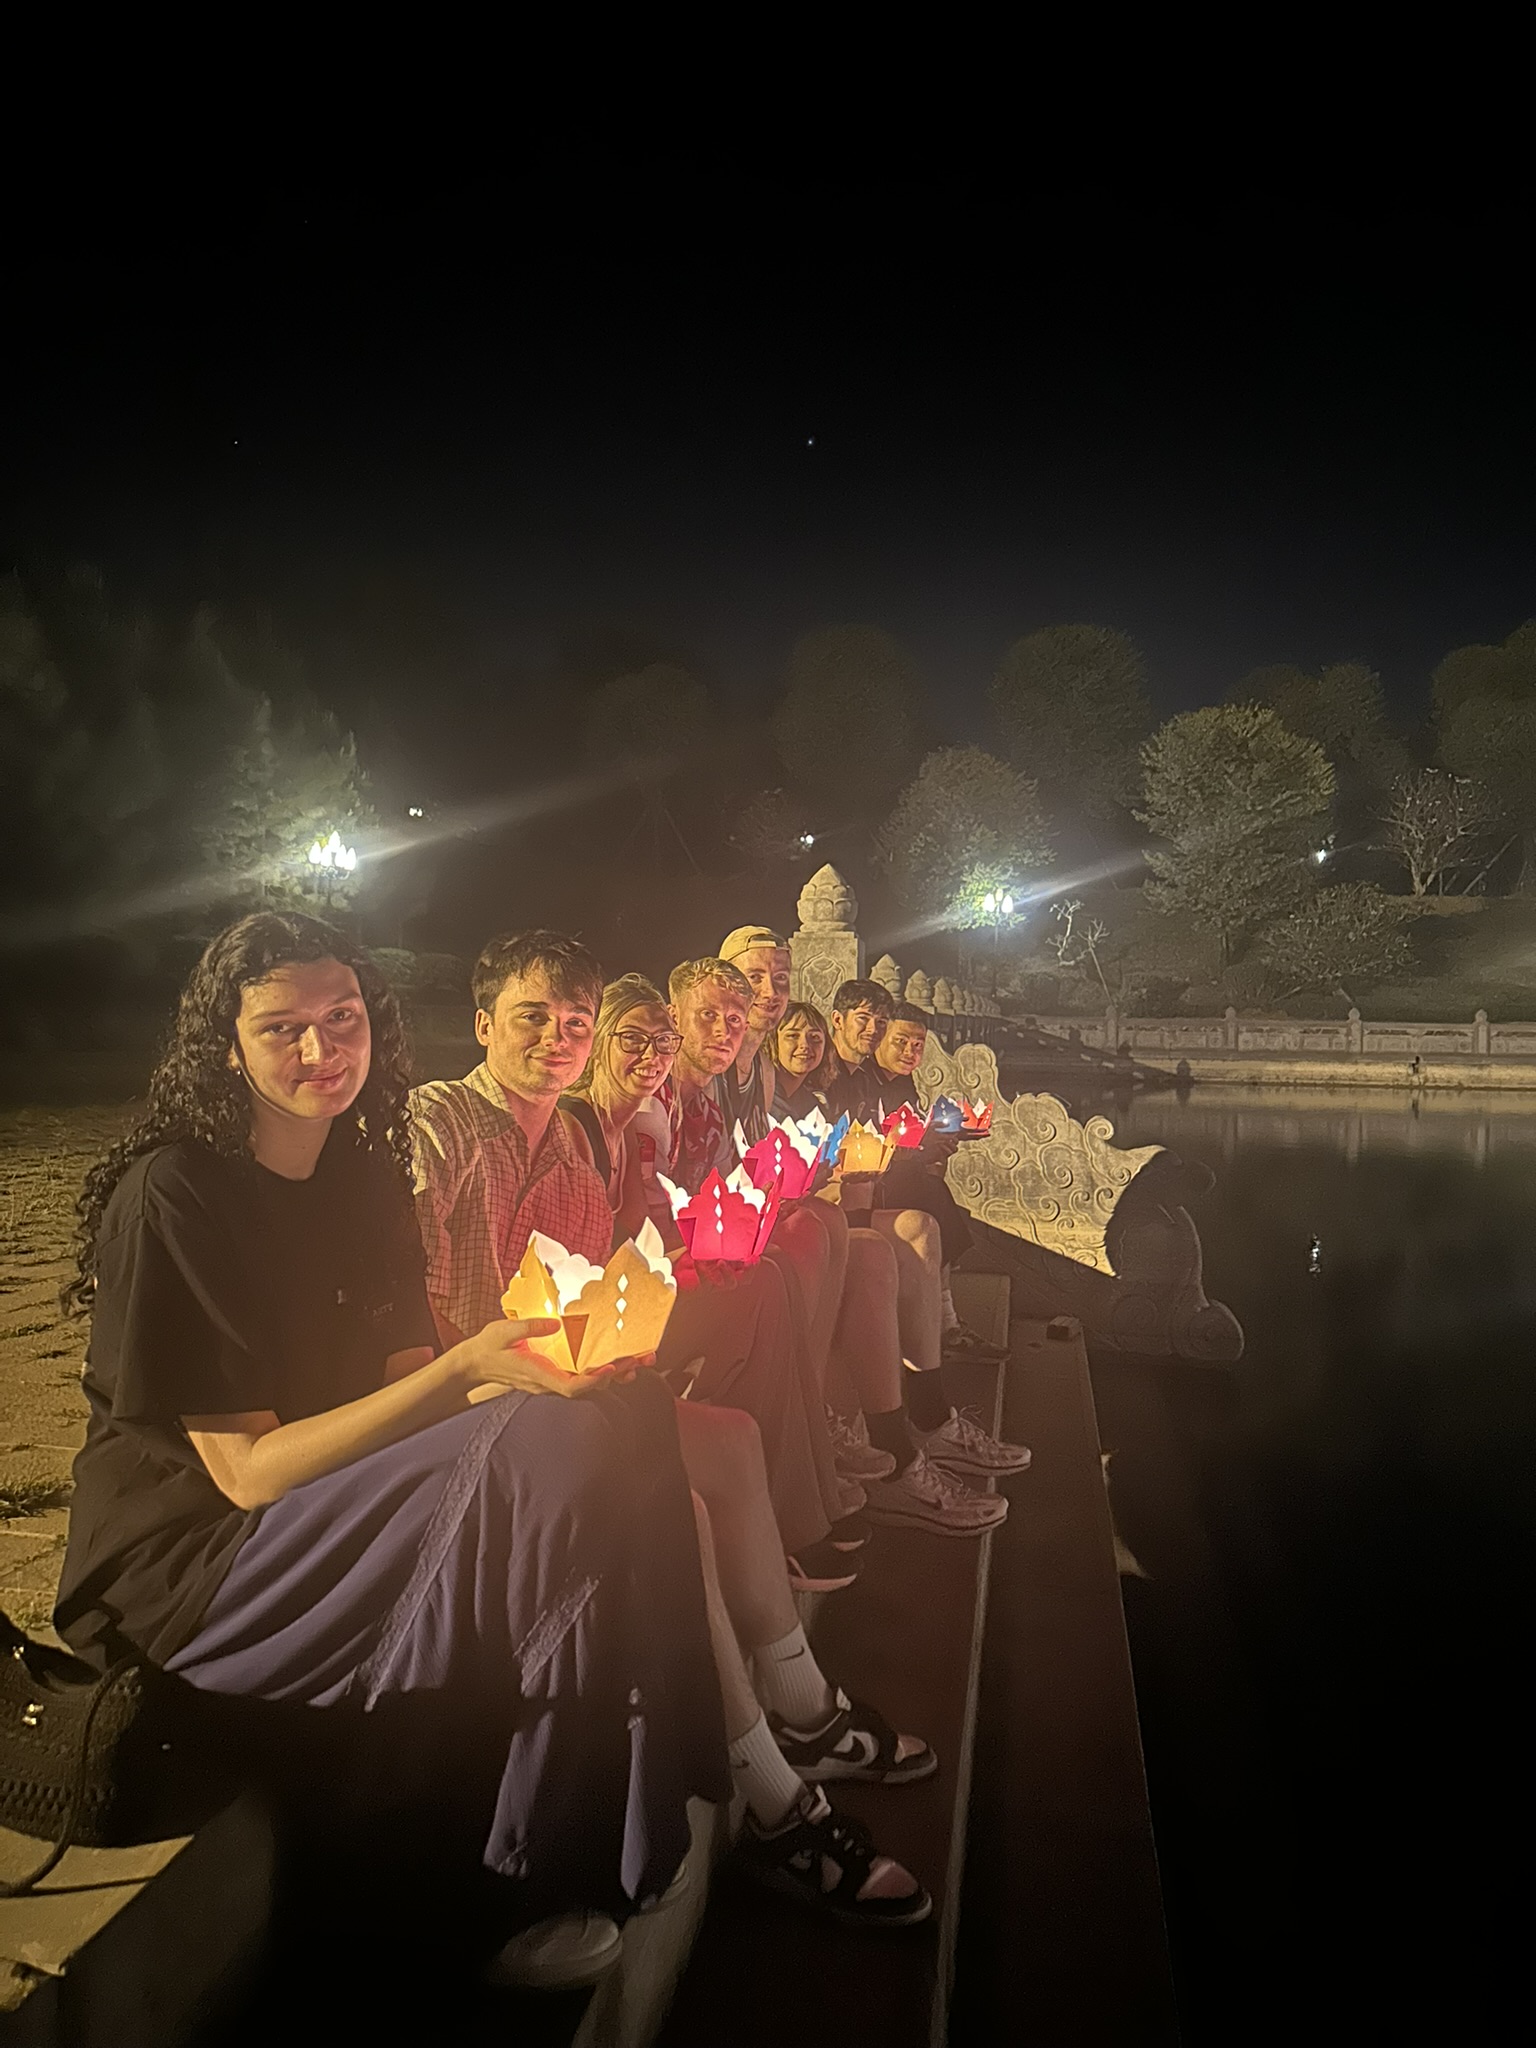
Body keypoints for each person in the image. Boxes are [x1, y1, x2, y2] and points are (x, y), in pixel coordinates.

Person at [53, 911, 727, 1994]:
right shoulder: (177, 1194)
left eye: (343, 1018)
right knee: (548, 1455)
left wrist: (543, 1368)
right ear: (226, 1045)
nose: (321, 1051)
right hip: (194, 1558)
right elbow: (247, 1473)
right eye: (283, 1028)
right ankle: (523, 1864)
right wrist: (472, 1372)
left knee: (616, 1419)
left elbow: (401, 1381)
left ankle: (650, 1784)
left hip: (318, 1502)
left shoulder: (364, 1179)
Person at [409, 934, 933, 1925]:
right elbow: (438, 1330)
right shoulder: (437, 1126)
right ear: (481, 1025)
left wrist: (615, 1327)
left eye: (574, 1023)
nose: (562, 1042)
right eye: (538, 1019)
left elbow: (585, 1276)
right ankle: (773, 1790)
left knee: (728, 1429)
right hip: (474, 1406)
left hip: (551, 1383)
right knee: (672, 1486)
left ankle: (805, 1701)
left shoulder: (565, 1144)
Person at [770, 1000, 836, 1121]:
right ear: (773, 1042)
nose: (805, 1045)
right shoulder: (761, 1100)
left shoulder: (814, 1108)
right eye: (793, 1036)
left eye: (815, 1037)